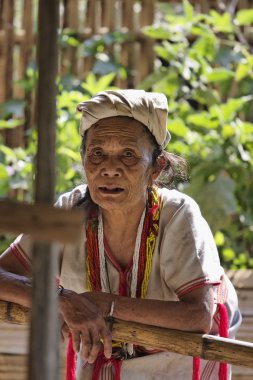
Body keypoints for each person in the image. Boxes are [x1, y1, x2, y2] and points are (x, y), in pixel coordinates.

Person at [0, 89, 241, 380]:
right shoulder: (69, 211)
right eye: (97, 153)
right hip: (105, 354)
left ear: (156, 167)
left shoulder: (178, 216)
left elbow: (198, 316)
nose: (109, 169)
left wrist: (103, 304)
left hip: (183, 354)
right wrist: (62, 299)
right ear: (84, 161)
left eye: (128, 155)